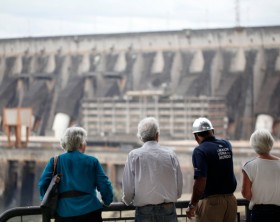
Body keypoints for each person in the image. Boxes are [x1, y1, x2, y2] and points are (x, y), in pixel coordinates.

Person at [38, 126, 113, 222]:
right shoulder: (92, 161)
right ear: (81, 144)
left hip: (65, 213)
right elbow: (104, 185)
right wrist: (107, 201)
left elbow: (42, 184)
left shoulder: (55, 161)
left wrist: (47, 201)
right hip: (90, 212)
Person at [122, 117, 183, 222]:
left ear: (141, 137)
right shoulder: (171, 155)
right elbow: (179, 187)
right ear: (157, 135)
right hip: (168, 210)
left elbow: (128, 190)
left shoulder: (133, 156)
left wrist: (127, 201)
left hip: (144, 212)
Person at [186, 117, 237, 222]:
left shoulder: (200, 151)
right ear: (212, 131)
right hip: (231, 201)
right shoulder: (226, 144)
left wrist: (192, 205)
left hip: (212, 203)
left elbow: (200, 181)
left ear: (196, 136)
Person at [242, 129, 280, 222]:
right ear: (270, 143)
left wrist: (259, 197)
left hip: (259, 214)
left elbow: (246, 194)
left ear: (254, 145)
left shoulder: (249, 166)